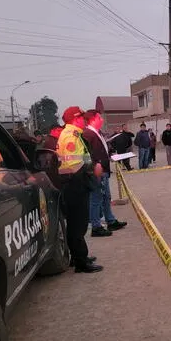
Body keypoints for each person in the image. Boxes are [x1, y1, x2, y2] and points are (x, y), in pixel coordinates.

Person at [56, 106, 102, 273]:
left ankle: (78, 257)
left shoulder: (73, 134)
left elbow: (82, 158)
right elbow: (74, 164)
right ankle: (81, 262)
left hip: (74, 183)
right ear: (76, 119)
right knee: (78, 224)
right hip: (75, 183)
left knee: (76, 224)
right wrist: (92, 170)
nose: (84, 120)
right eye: (82, 118)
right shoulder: (71, 136)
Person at [82, 110, 128, 237]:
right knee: (96, 198)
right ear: (93, 119)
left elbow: (101, 149)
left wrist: (109, 156)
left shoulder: (97, 133)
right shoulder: (88, 134)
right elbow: (85, 154)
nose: (101, 120)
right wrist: (93, 166)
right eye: (99, 118)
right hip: (97, 171)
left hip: (104, 169)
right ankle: (96, 226)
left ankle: (110, 221)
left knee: (106, 197)